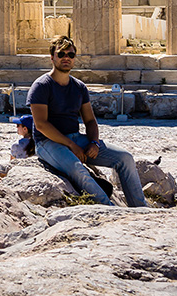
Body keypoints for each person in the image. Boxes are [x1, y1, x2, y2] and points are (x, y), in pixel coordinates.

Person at [28, 35, 147, 207]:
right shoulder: (41, 86)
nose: (66, 58)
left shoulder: (79, 87)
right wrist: (71, 145)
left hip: (76, 138)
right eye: (61, 54)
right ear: (52, 57)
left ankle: (141, 208)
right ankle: (110, 210)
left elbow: (90, 120)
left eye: (70, 54)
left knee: (125, 158)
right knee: (78, 168)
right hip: (48, 142)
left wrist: (94, 142)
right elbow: (41, 124)